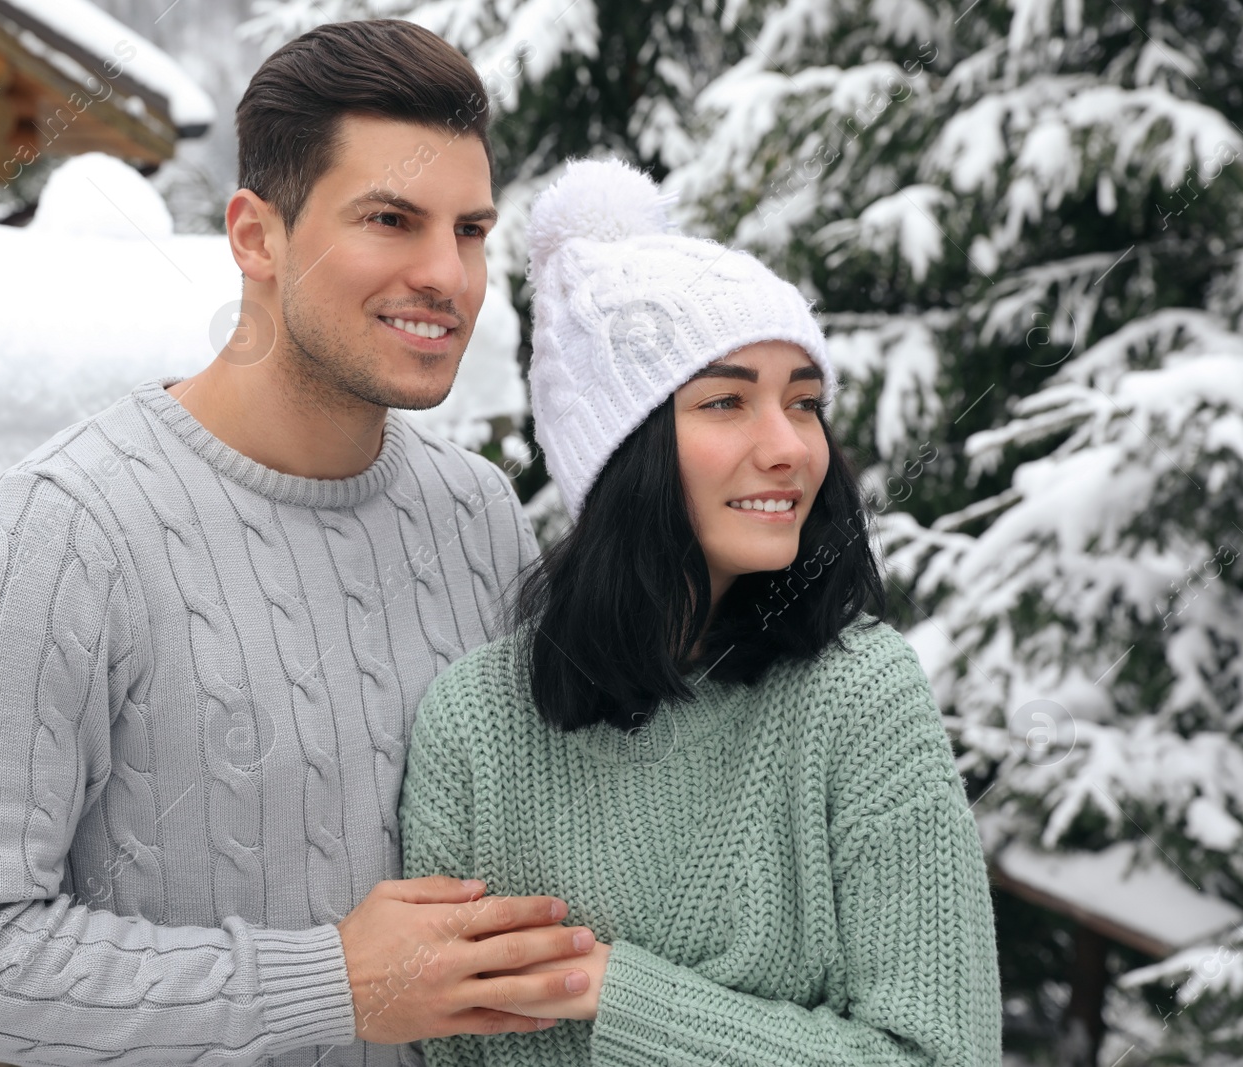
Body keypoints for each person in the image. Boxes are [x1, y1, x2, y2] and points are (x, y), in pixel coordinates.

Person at [0, 21, 602, 1067]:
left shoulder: (476, 513)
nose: (448, 274)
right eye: (391, 219)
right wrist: (327, 983)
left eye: (471, 230)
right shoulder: (61, 529)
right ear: (255, 235)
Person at [400, 158, 1005, 1065]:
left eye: (805, 402)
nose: (789, 447)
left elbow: (942, 1053)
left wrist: (611, 994)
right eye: (726, 401)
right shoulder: (474, 723)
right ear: (621, 454)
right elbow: (443, 1050)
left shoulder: (862, 698)